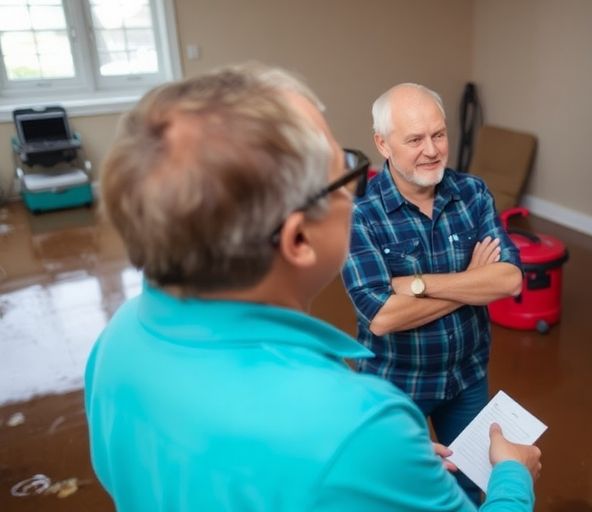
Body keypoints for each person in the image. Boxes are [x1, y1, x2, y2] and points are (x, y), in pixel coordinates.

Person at [84, 63, 540, 511]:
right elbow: (382, 320)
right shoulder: (358, 425)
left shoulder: (115, 341)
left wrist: (391, 465)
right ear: (299, 239)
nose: (358, 188)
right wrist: (511, 477)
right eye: (343, 172)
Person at [342, 83, 523, 502]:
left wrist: (419, 285)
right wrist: (472, 281)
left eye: (439, 134)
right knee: (395, 492)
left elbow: (510, 279)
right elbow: (382, 316)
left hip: (466, 376)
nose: (432, 150)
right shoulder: (359, 217)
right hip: (395, 383)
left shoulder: (472, 193)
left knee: (471, 483)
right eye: (415, 140)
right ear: (383, 144)